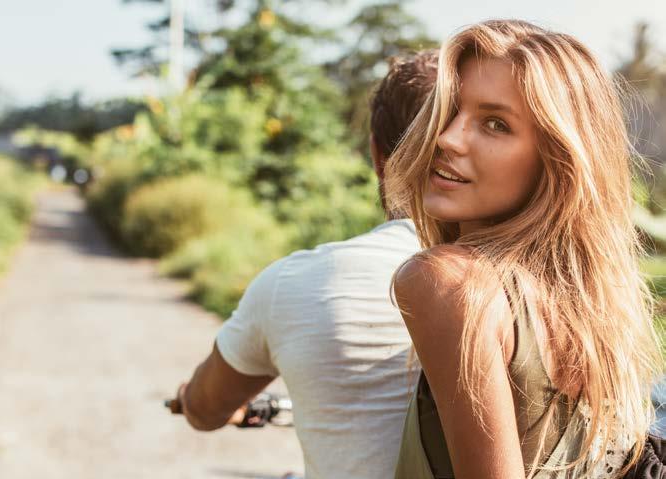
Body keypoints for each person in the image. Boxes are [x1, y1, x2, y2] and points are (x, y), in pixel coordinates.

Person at [386, 20, 661, 478]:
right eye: (450, 111)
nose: (447, 138)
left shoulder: (448, 282)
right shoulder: (595, 311)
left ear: (558, 160)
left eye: (495, 124)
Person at [170, 50, 437, 478]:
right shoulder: (524, 284)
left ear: (376, 154)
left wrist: (190, 397)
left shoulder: (291, 283)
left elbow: (204, 409)